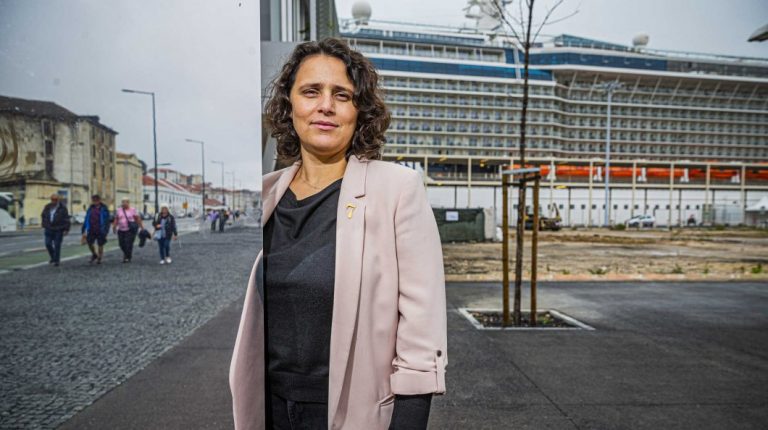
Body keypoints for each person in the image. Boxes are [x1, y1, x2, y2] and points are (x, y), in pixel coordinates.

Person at [230, 38, 447, 430]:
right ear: (289, 105)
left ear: (359, 111)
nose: (326, 106)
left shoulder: (397, 189)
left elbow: (421, 327)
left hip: (353, 413)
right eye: (311, 91)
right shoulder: (264, 194)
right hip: (269, 410)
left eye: (342, 95)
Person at [40, 194, 70, 266]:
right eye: (52, 200)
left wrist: (66, 229)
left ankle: (56, 260)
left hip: (58, 229)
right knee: (48, 244)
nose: (54, 201)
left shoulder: (63, 208)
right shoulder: (47, 207)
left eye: (55, 200)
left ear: (58, 200)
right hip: (49, 228)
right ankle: (53, 257)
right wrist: (44, 224)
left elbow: (66, 219)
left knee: (57, 245)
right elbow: (43, 215)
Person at [81, 194, 110, 264]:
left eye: (96, 200)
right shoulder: (90, 208)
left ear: (99, 200)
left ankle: (99, 257)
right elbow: (86, 218)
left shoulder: (104, 209)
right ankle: (94, 254)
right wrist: (84, 229)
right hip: (91, 229)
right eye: (94, 200)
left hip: (100, 229)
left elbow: (107, 221)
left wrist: (106, 231)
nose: (95, 202)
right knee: (89, 243)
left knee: (100, 244)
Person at [113, 198, 143, 263]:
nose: (124, 203)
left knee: (128, 243)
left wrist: (141, 227)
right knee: (121, 244)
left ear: (128, 203)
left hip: (130, 230)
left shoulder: (133, 210)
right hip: (120, 229)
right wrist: (114, 227)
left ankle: (127, 257)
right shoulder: (119, 210)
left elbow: (138, 219)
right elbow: (116, 219)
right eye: (123, 202)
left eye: (125, 202)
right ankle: (127, 254)